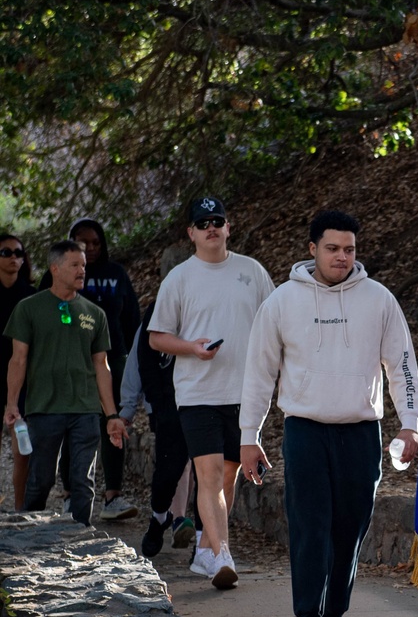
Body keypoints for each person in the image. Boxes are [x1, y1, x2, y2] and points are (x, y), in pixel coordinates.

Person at [239, 208, 418, 617]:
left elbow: (402, 365)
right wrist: (248, 434)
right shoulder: (281, 302)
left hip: (360, 432)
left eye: (349, 250)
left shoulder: (378, 300)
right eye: (333, 248)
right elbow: (258, 373)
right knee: (308, 531)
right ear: (312, 250)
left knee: (348, 533)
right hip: (305, 432)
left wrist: (410, 423)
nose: (342, 257)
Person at [148, 196, 274, 589]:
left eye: (218, 220)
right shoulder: (180, 278)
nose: (211, 228)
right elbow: (156, 338)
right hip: (197, 393)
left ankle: (205, 547)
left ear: (228, 227)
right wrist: (192, 348)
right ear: (191, 233)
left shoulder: (252, 272)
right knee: (209, 474)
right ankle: (223, 554)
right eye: (203, 223)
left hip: (245, 394)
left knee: (228, 477)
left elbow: (275, 322)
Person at [3, 240, 127, 524]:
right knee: (41, 479)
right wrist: (12, 402)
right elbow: (18, 360)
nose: (82, 270)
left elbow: (101, 365)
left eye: (83, 265)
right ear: (55, 268)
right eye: (75, 265)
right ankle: (28, 533)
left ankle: (79, 534)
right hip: (44, 409)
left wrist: (111, 415)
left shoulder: (95, 314)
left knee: (83, 481)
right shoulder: (28, 308)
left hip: (85, 409)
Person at [41, 219, 142, 520]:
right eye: (84, 243)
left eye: (97, 243)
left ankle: (113, 497)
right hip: (71, 360)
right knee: (73, 423)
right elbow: (41, 312)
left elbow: (132, 320)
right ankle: (71, 495)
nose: (92, 249)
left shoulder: (116, 274)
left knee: (113, 422)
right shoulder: (55, 275)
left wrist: (133, 358)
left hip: (114, 357)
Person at [119, 306, 196, 556]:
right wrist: (127, 408)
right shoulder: (158, 312)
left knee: (204, 464)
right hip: (163, 403)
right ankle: (163, 516)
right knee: (176, 464)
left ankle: (193, 530)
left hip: (201, 400)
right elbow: (138, 360)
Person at [0, 233, 34, 510]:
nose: (14, 258)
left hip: (23, 378)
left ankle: (20, 508)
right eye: (6, 253)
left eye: (19, 253)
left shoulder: (30, 297)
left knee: (22, 446)